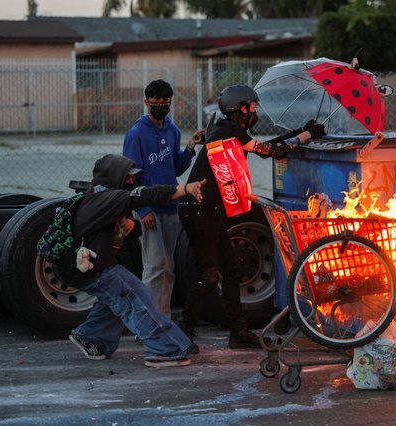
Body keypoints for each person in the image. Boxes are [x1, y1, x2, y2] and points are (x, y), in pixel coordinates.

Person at [178, 85, 325, 353]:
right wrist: (308, 135)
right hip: (199, 209)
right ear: (241, 109)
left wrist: (300, 131)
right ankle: (182, 333)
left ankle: (239, 332)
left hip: (210, 210)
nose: (255, 111)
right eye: (252, 107)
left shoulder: (227, 129)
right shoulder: (227, 131)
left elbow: (268, 145)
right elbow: (273, 151)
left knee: (231, 271)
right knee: (210, 276)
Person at [60, 153, 206, 368]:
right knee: (135, 297)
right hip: (87, 267)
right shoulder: (108, 197)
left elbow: (123, 228)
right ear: (113, 177)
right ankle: (164, 351)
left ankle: (91, 337)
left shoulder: (101, 195)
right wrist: (186, 188)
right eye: (127, 177)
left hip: (89, 264)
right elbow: (148, 194)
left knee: (120, 295)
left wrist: (132, 226)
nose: (131, 181)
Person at [122, 79, 203, 318]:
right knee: (155, 266)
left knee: (168, 268)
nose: (160, 106)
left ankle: (162, 319)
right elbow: (130, 177)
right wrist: (143, 209)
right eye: (155, 102)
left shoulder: (173, 131)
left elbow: (175, 168)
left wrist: (190, 146)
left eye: (165, 102)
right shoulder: (136, 134)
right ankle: (147, 322)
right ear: (146, 102)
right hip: (150, 209)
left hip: (171, 206)